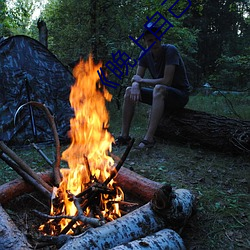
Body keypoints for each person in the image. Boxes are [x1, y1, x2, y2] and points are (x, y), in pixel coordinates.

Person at [115, 22, 191, 149]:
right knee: (128, 91)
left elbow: (166, 81)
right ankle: (124, 136)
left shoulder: (170, 50)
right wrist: (134, 85)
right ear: (144, 41)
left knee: (159, 88)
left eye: (157, 39)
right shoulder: (144, 54)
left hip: (179, 95)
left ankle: (149, 138)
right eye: (150, 40)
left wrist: (140, 81)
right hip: (160, 95)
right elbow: (136, 78)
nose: (154, 43)